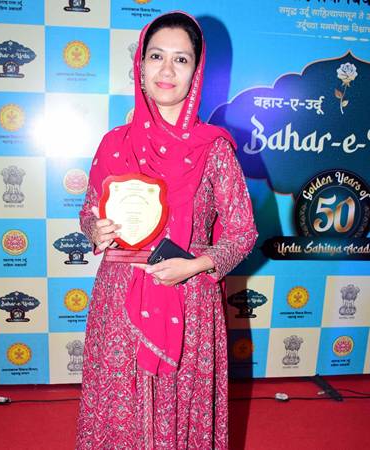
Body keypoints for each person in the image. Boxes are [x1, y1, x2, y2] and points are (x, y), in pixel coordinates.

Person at [76, 11, 257, 449]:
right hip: (119, 299)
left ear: (196, 71)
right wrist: (95, 230)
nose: (167, 70)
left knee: (180, 408)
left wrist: (193, 266)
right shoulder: (114, 143)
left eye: (181, 59)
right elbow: (88, 211)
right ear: (140, 64)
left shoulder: (214, 149)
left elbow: (243, 233)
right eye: (156, 56)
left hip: (188, 297)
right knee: (120, 408)